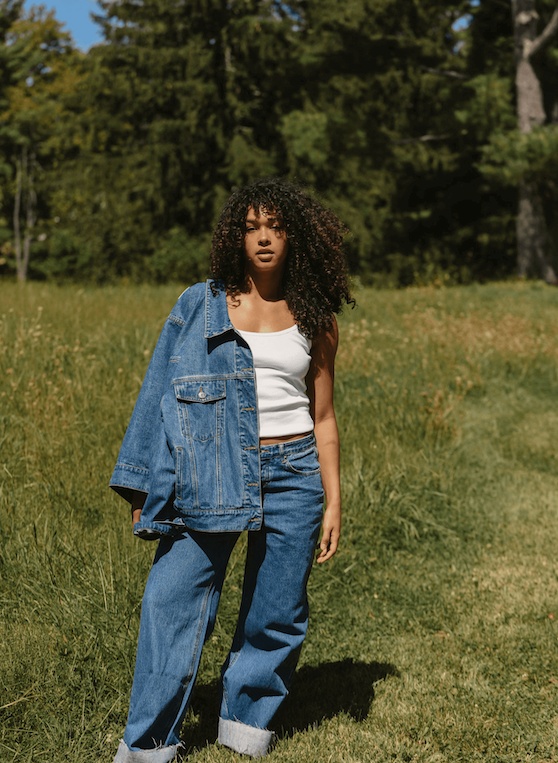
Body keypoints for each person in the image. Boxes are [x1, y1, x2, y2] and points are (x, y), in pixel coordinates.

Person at [110, 178, 353, 762]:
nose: (264, 239)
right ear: (234, 237)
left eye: (275, 227)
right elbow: (157, 393)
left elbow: (323, 416)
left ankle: (244, 729)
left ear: (294, 236)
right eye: (251, 228)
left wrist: (334, 498)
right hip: (212, 464)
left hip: (295, 471)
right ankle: (147, 744)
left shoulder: (316, 315)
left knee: (277, 609)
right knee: (173, 600)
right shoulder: (202, 302)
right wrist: (145, 480)